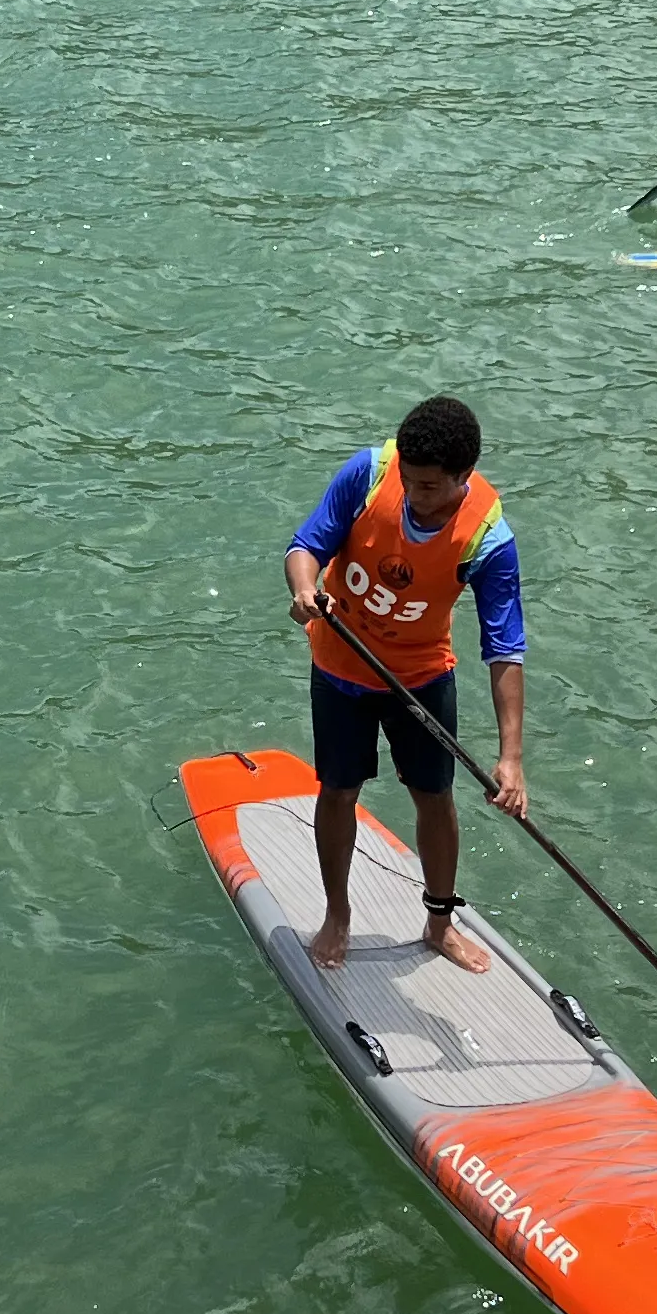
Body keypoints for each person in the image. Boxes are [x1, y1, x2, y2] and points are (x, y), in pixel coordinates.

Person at [284, 397, 527, 974]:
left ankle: (439, 923)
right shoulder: (369, 473)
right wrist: (304, 589)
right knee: (339, 791)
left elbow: (505, 648)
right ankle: (337, 913)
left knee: (435, 798)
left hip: (420, 677)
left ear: (465, 476)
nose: (414, 494)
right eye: (409, 481)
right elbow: (306, 547)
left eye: (430, 487)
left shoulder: (489, 539)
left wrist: (511, 758)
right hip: (341, 666)